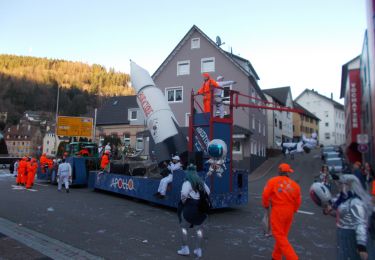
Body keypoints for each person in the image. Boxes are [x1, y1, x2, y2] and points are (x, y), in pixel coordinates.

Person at [323, 174, 374, 260]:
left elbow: (361, 224)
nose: (339, 186)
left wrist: (361, 246)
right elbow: (344, 215)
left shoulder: (356, 202)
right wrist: (330, 212)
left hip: (351, 239)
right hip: (344, 239)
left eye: (342, 184)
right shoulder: (344, 199)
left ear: (349, 186)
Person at [262, 163, 301, 260]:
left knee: (279, 236)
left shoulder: (273, 181)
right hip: (290, 212)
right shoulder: (295, 186)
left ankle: (293, 258)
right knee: (282, 236)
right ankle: (276, 256)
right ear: (288, 173)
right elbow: (298, 201)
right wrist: (294, 210)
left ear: (279, 171)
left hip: (278, 210)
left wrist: (266, 205)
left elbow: (265, 195)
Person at [177, 164, 210, 258]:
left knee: (183, 228)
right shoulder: (201, 182)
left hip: (190, 208)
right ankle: (198, 249)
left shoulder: (187, 183)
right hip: (201, 209)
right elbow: (208, 191)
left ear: (187, 172)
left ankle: (185, 249)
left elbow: (183, 194)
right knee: (199, 229)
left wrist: (184, 202)